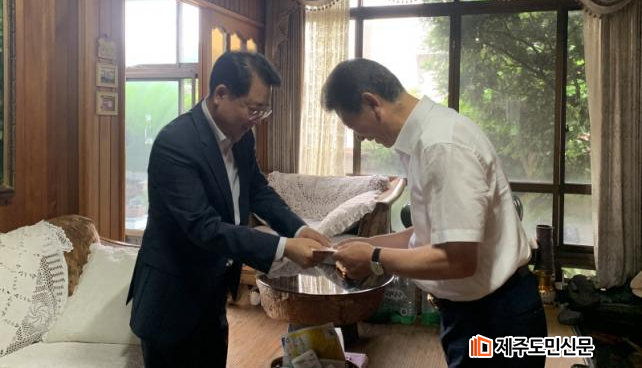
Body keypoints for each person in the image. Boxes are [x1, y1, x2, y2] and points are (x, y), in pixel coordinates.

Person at [324, 59, 547, 367]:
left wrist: (373, 258)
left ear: (372, 103)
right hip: (475, 311)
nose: (360, 137)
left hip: (496, 317)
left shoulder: (441, 146)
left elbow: (458, 259)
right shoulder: (424, 139)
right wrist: (363, 244)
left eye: (354, 126)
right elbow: (430, 234)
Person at [127, 51, 330, 368]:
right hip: (172, 299)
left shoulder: (242, 137)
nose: (256, 119)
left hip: (213, 290)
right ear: (221, 93)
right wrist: (284, 247)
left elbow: (257, 191)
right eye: (253, 108)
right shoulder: (176, 143)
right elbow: (203, 227)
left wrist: (299, 229)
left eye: (263, 110)